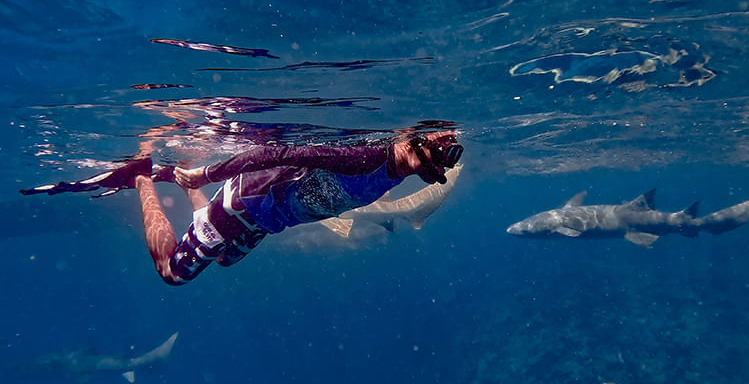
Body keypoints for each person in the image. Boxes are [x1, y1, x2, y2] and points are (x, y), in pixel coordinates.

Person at [77, 132, 462, 285]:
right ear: (415, 142)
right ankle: (141, 178)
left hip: (268, 220)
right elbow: (273, 153)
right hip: (247, 203)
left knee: (226, 259)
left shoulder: (401, 164)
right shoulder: (361, 156)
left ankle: (201, 212)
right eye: (434, 161)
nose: (434, 171)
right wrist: (203, 175)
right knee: (174, 273)